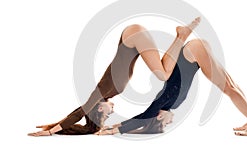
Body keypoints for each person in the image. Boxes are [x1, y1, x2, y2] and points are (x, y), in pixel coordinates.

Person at [28, 17, 200, 136]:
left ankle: (182, 35)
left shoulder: (101, 92)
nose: (113, 111)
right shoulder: (110, 91)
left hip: (133, 37)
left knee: (163, 74)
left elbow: (79, 113)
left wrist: (51, 130)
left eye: (107, 114)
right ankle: (182, 35)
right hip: (134, 39)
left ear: (100, 108)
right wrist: (116, 127)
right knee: (163, 73)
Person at [97, 39, 247, 136]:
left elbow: (145, 116)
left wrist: (115, 130)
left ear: (159, 117)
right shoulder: (173, 104)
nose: (171, 122)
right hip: (195, 55)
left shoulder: (164, 101)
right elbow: (144, 117)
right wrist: (117, 126)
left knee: (228, 88)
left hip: (192, 52)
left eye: (165, 124)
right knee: (231, 85)